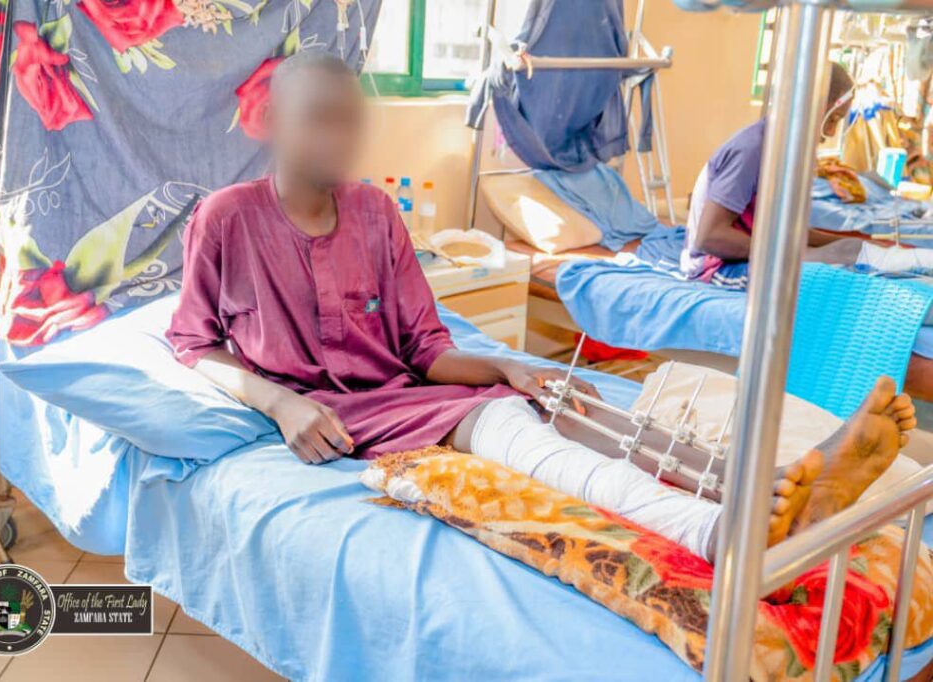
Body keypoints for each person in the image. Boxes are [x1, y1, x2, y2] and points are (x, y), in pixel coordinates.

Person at [167, 52, 917, 561]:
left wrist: (507, 366)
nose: (341, 136)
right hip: (343, 415)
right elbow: (193, 343)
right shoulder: (228, 218)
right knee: (510, 428)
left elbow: (425, 348)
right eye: (320, 117)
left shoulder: (374, 212)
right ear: (277, 122)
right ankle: (717, 532)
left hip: (410, 390)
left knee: (564, 397)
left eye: (351, 119)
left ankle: (771, 486)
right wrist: (279, 403)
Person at [682, 62, 933, 284]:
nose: (831, 132)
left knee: (850, 247)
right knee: (840, 262)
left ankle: (913, 261)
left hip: (753, 251)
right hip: (718, 266)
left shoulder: (783, 149)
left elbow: (793, 233)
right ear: (811, 106)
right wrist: (788, 252)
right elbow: (710, 237)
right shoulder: (752, 149)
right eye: (832, 119)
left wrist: (864, 243)